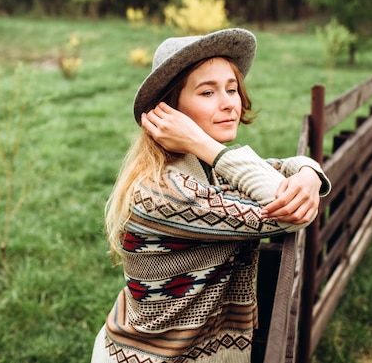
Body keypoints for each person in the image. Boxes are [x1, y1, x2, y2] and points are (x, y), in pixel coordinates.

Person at [91, 28, 331, 363]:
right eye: (207, 92)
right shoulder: (164, 191)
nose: (229, 103)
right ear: (169, 110)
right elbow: (287, 214)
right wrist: (205, 144)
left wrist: (308, 173)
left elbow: (280, 168)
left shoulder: (209, 167)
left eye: (232, 89)